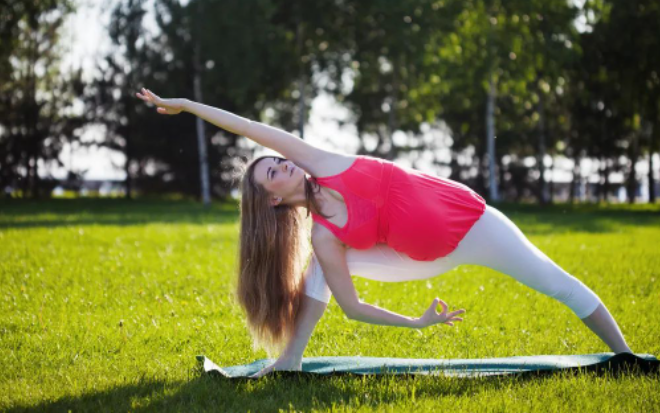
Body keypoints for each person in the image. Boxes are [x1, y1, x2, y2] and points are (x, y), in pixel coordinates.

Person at [135, 88, 632, 378]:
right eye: (273, 173)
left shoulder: (324, 163)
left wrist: (182, 104)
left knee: (554, 281)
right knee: (319, 271)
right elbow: (352, 309)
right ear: (271, 199)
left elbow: (246, 126)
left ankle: (627, 357)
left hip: (474, 224)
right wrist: (417, 325)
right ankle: (290, 360)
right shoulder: (325, 236)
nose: (282, 163)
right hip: (420, 258)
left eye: (279, 160)